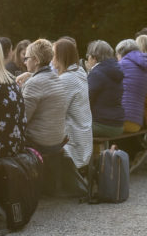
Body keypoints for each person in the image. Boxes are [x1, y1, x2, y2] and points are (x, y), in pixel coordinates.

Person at [16, 39, 67, 152]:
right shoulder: (56, 78)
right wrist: (31, 76)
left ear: (36, 60)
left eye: (27, 58)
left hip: (39, 142)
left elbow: (22, 118)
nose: (25, 62)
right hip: (57, 141)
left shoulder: (34, 83)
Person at [52, 38, 92, 171]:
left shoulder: (66, 79)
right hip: (84, 133)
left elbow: (56, 110)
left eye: (53, 55)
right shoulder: (79, 72)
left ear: (60, 57)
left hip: (73, 139)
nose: (51, 59)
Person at [86, 40, 124, 138]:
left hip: (103, 124)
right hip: (118, 124)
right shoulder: (116, 69)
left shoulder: (96, 73)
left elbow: (86, 100)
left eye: (88, 56)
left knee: (70, 128)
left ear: (94, 57)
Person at [116, 39, 147, 132]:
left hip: (121, 120)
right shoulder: (143, 68)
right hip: (137, 122)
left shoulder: (121, 65)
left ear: (120, 52)